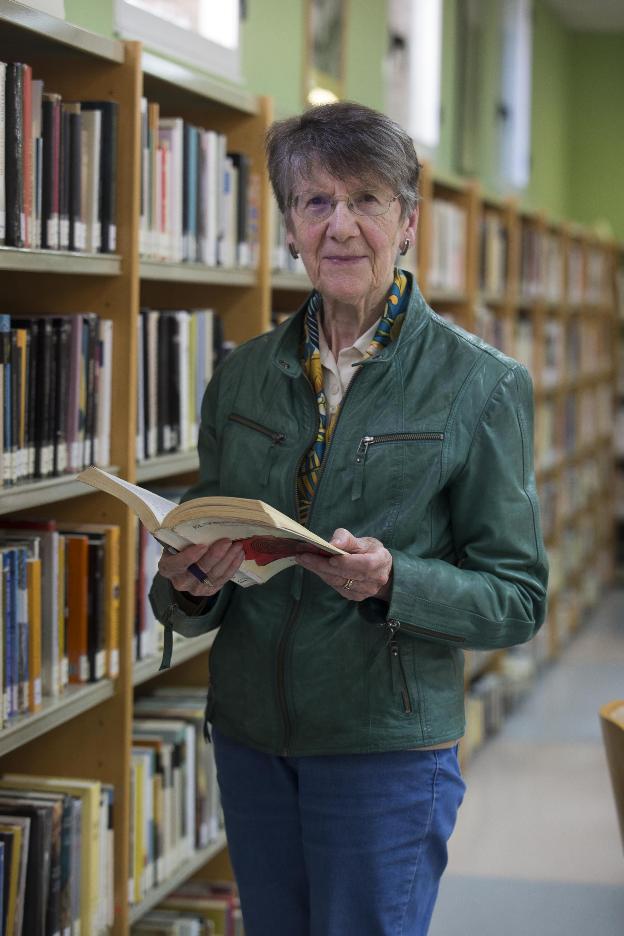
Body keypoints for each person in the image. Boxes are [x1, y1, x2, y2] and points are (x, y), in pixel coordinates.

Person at [150, 101, 548, 935]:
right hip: (252, 736)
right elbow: (197, 574)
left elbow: (516, 597)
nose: (341, 227)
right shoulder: (243, 377)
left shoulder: (482, 384)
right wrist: (186, 586)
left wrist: (393, 579)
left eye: (366, 200)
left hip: (384, 746)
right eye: (315, 201)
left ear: (407, 223)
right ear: (289, 226)